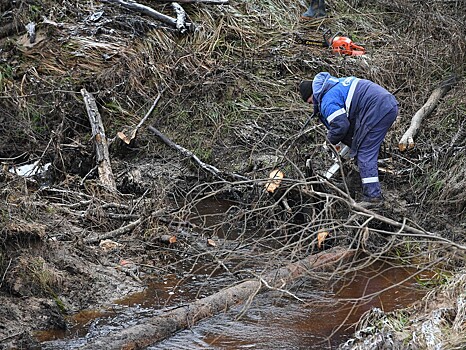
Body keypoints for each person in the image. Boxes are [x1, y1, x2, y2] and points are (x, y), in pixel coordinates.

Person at [299, 72, 399, 208]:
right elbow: (350, 124)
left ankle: (373, 197)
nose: (310, 104)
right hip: (384, 104)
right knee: (362, 148)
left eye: (309, 101)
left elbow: (340, 125)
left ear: (312, 94)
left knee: (365, 152)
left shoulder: (327, 101)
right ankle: (368, 179)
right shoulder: (334, 87)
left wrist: (328, 142)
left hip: (377, 108)